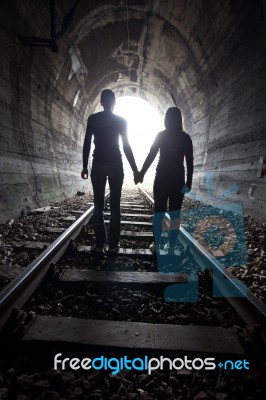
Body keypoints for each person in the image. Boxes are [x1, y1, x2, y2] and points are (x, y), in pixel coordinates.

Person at [81, 89, 139, 253]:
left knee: (98, 205)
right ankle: (113, 245)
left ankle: (99, 244)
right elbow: (126, 146)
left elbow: (87, 144)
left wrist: (85, 165)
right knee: (115, 206)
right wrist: (135, 169)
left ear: (101, 102)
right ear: (114, 103)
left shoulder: (93, 119)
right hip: (115, 164)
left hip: (98, 163)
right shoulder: (121, 121)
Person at [136, 107, 193, 254]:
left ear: (166, 119)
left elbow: (151, 155)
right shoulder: (185, 138)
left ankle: (157, 245)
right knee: (175, 213)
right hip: (178, 179)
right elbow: (190, 161)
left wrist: (141, 173)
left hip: (161, 177)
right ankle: (172, 246)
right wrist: (189, 182)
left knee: (159, 212)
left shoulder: (161, 135)